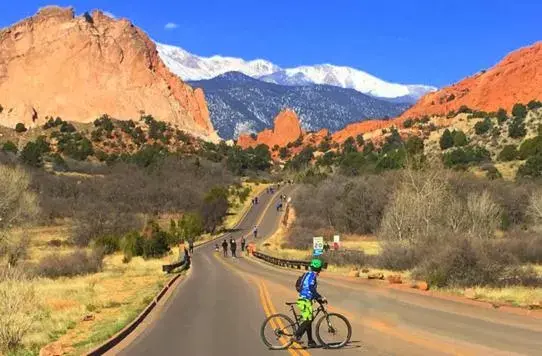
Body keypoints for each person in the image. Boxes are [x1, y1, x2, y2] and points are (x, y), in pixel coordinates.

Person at [293, 259, 326, 348]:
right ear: (318, 269)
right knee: (308, 319)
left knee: (308, 321)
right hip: (305, 300)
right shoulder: (312, 276)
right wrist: (320, 297)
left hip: (304, 299)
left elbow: (309, 289)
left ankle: (310, 341)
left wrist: (317, 298)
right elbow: (311, 288)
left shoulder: (307, 274)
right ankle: (296, 335)